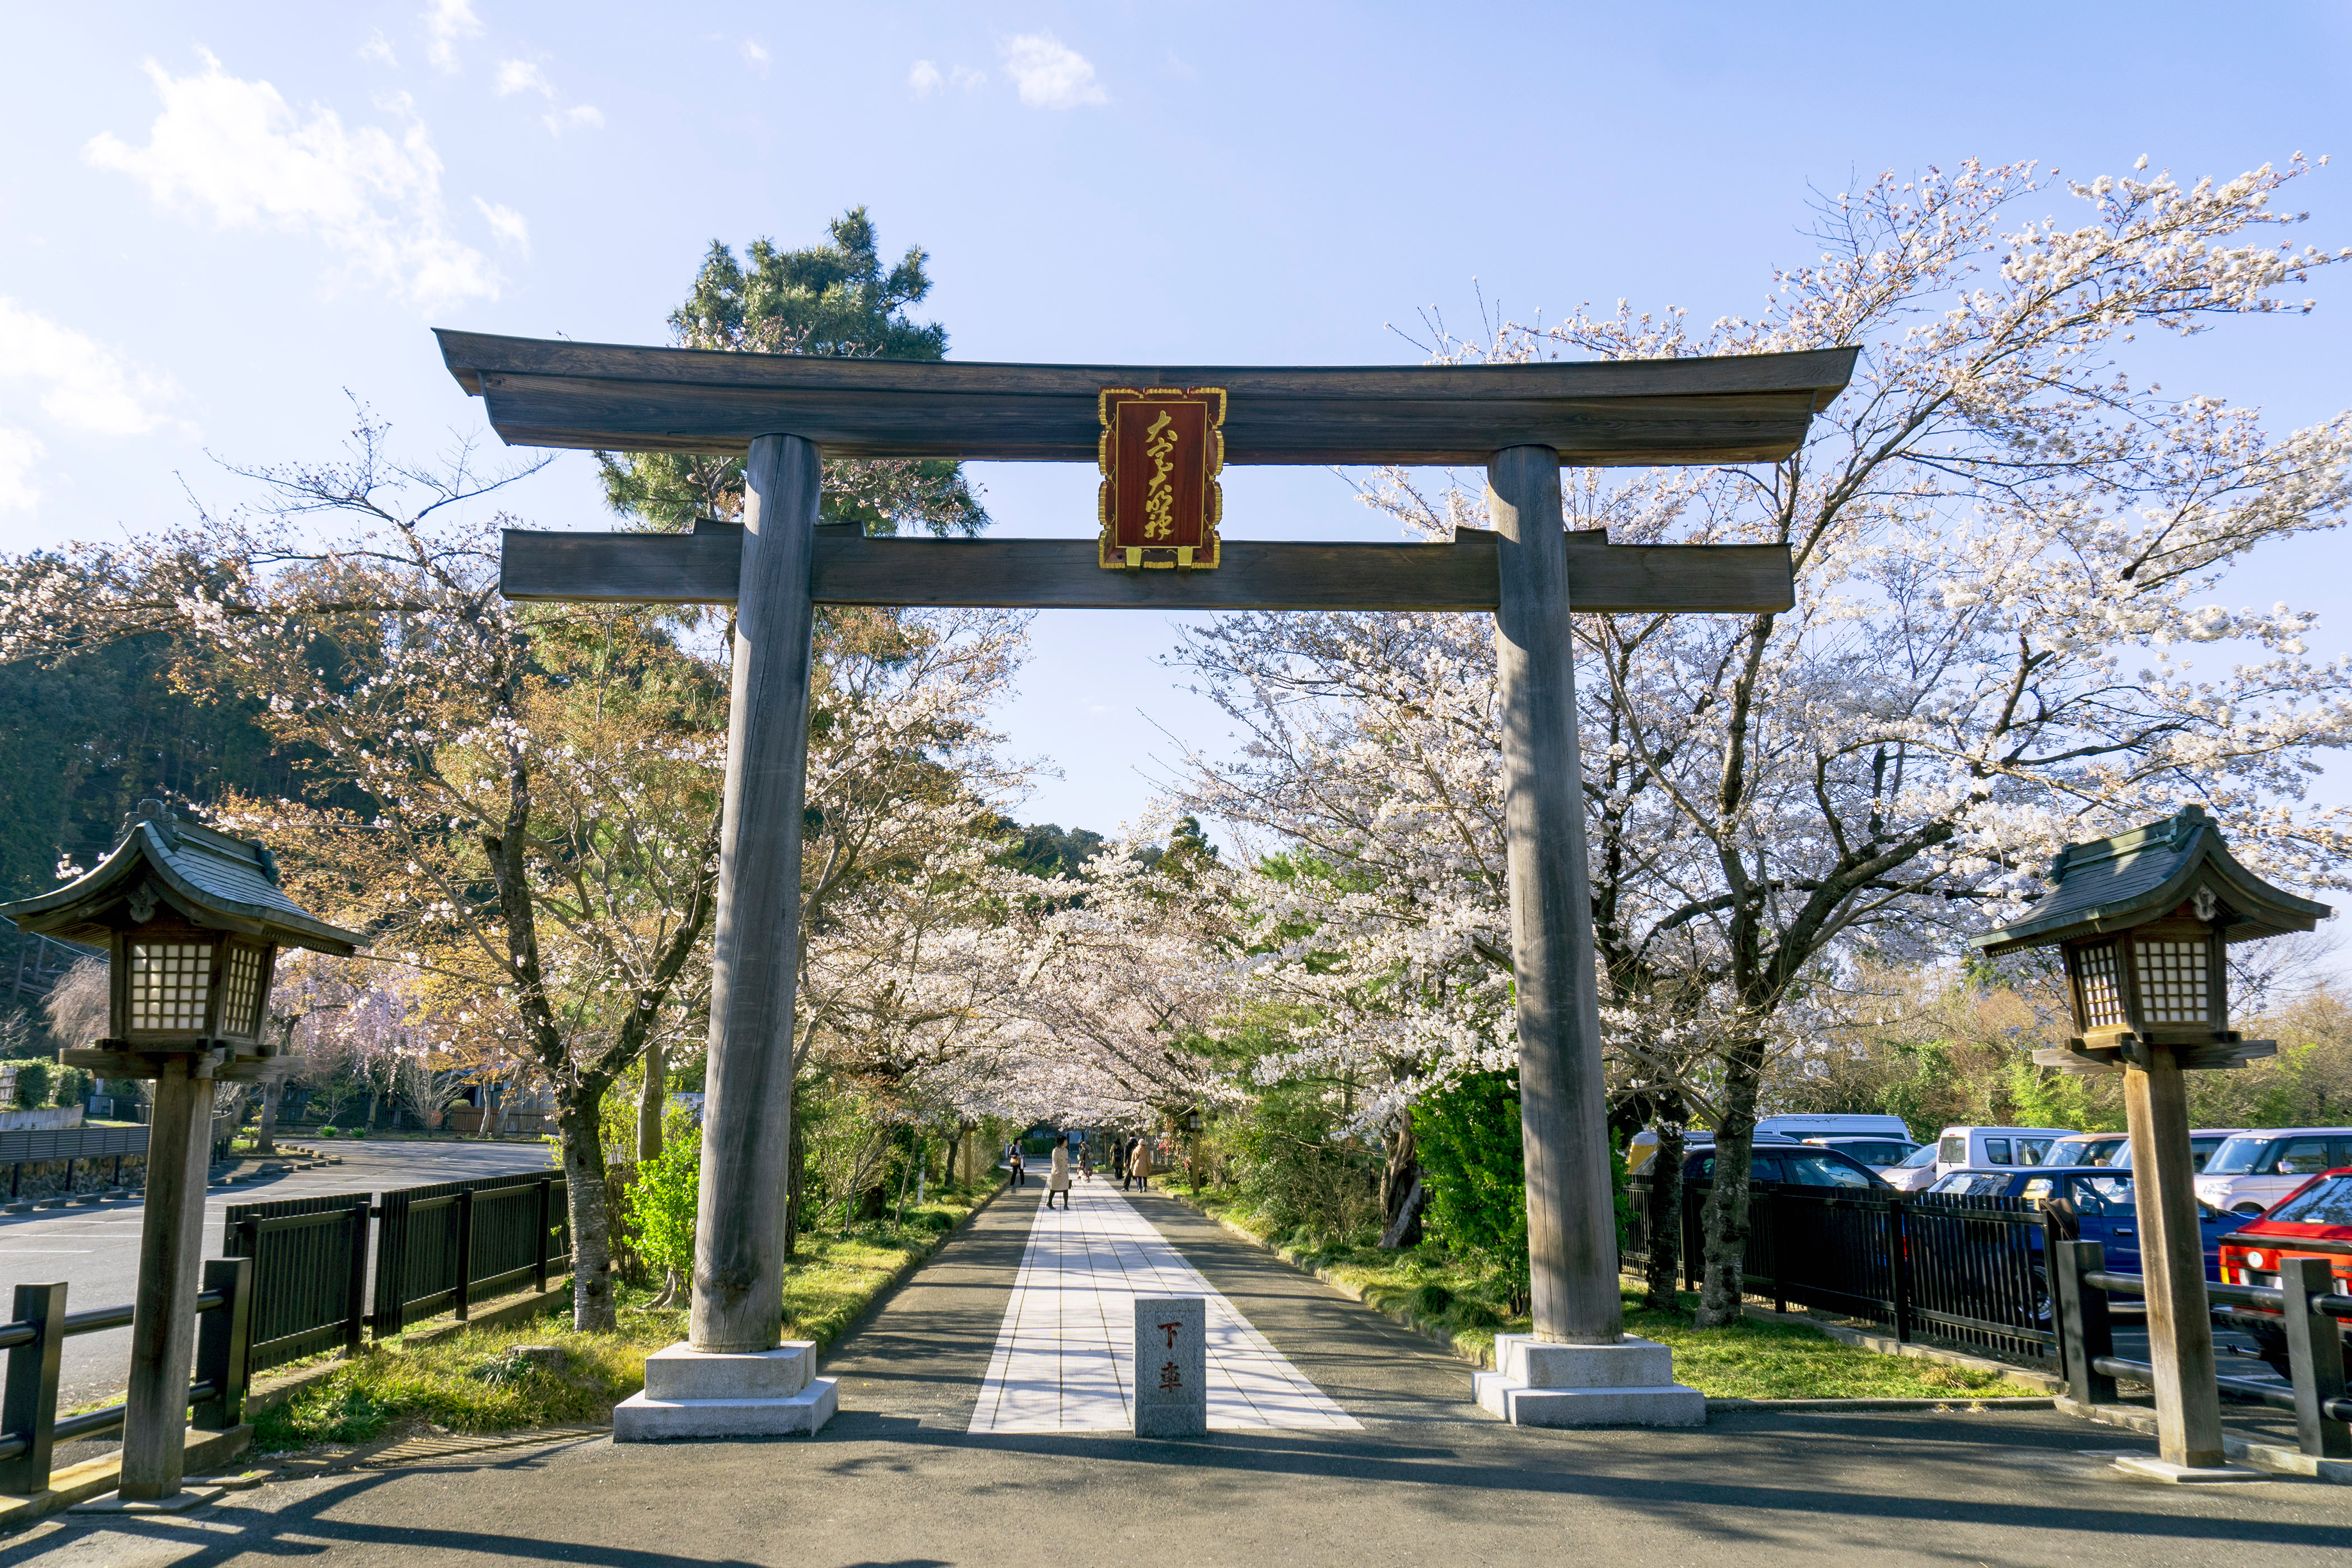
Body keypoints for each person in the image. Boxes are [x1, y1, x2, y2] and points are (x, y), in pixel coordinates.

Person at [1047, 1137, 1072, 1210]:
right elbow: (1054, 1162)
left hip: (1064, 1173)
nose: (1067, 1142)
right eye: (1065, 1141)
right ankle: (1050, 1203)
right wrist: (1057, 1171)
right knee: (1053, 1189)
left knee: (1065, 1189)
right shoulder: (1055, 1151)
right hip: (1057, 1173)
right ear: (1062, 1142)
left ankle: (1066, 1205)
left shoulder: (1066, 1151)